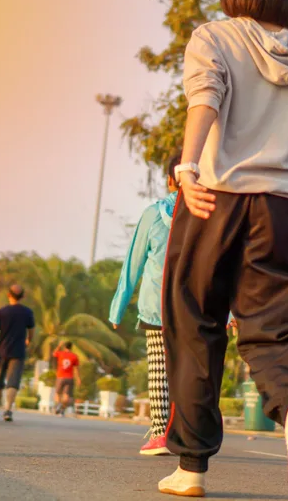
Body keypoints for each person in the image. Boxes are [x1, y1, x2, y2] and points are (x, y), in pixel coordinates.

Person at [157, 0, 288, 501]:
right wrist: (285, 131)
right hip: (284, 207)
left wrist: (188, 167)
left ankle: (191, 469)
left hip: (215, 198)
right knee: (274, 329)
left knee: (195, 322)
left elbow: (205, 100)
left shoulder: (214, 37)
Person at [109, 153, 181, 456]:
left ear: (169, 180)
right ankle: (184, 432)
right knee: (186, 369)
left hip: (156, 305)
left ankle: (159, 433)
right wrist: (228, 310)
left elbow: (133, 264)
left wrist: (118, 306)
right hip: (193, 306)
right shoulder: (208, 213)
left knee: (158, 369)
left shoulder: (153, 214)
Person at [0, 284, 34, 422]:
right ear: (22, 296)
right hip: (18, 352)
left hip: (2, 352)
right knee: (13, 382)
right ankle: (7, 410)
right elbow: (31, 332)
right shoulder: (27, 312)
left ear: (8, 295)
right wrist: (28, 341)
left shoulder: (1, 312)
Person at [51, 341, 81, 417]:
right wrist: (78, 379)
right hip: (69, 377)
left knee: (57, 393)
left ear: (64, 347)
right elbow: (76, 369)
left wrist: (59, 345)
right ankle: (62, 409)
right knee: (66, 396)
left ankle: (58, 406)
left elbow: (54, 353)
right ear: (71, 347)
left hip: (60, 377)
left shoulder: (61, 353)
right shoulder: (74, 356)